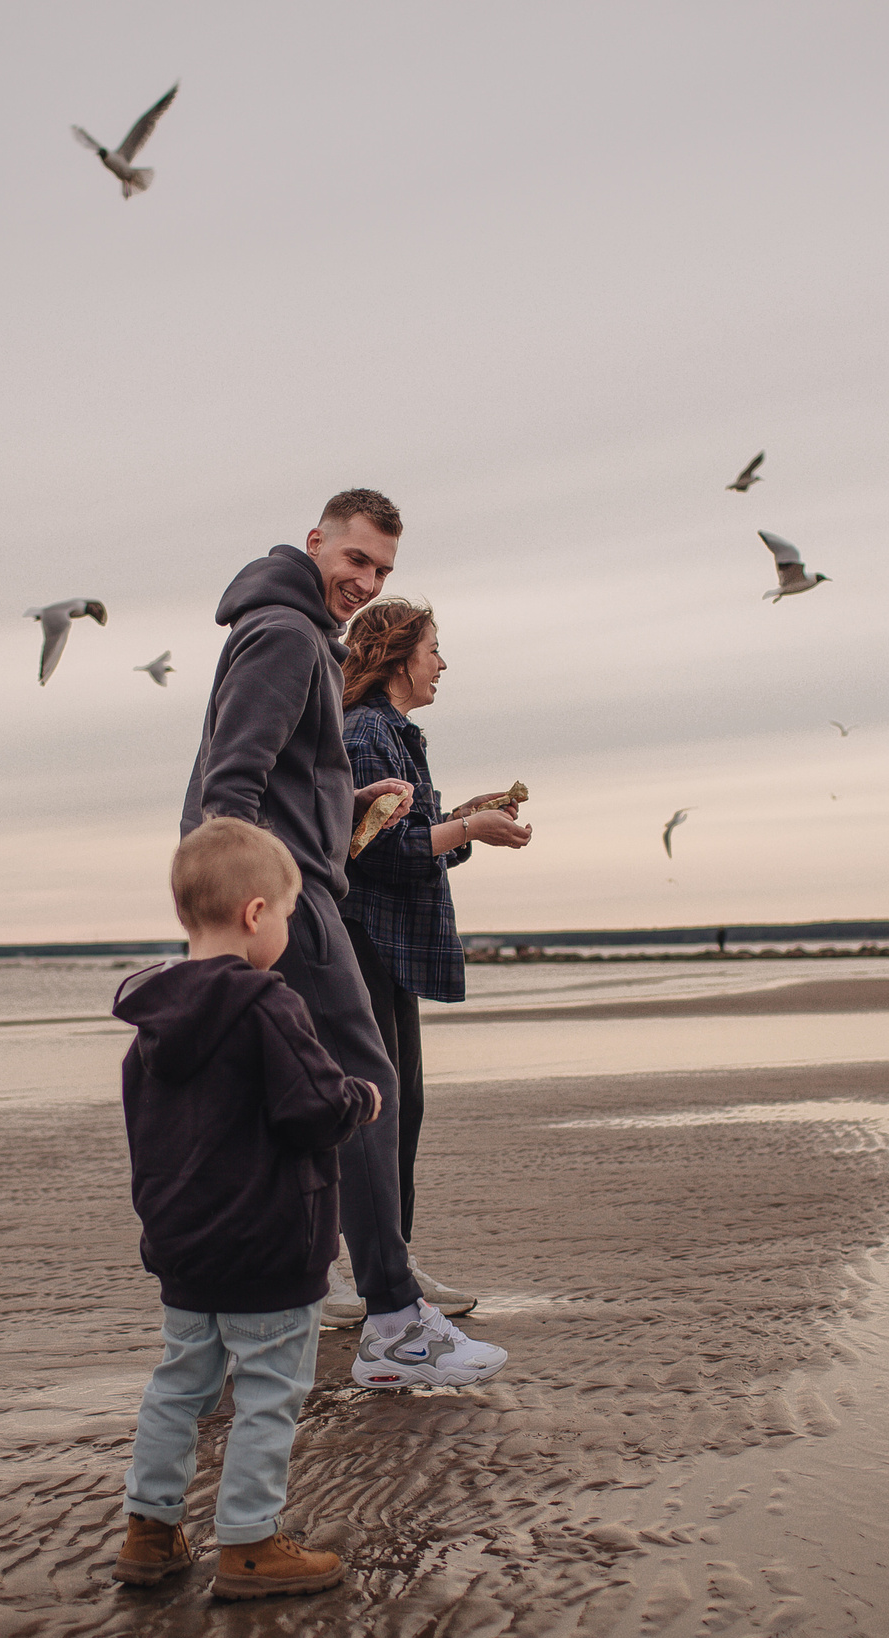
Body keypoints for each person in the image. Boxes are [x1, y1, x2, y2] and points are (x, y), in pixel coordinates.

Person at [180, 489, 510, 1391]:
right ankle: (393, 1322)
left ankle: (224, 1336)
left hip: (288, 886)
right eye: (356, 559)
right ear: (316, 541)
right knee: (367, 1090)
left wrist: (345, 802)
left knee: (281, 1109)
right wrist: (247, 910)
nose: (365, 581)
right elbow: (228, 783)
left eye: (382, 570)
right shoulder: (288, 635)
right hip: (286, 900)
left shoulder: (295, 634)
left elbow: (277, 775)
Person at [109, 819, 373, 1598]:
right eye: (287, 912)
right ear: (256, 913)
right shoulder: (267, 1005)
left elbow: (147, 1135)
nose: (287, 927)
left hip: (185, 1247)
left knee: (179, 1384)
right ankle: (250, 1541)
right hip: (269, 1245)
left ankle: (150, 1528)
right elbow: (312, 1106)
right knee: (269, 1391)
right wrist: (360, 1097)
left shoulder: (151, 1026)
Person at [331, 599, 533, 1328]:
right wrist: (469, 826)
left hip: (390, 943)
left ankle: (391, 1261)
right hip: (365, 940)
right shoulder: (365, 732)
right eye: (433, 649)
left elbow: (413, 837)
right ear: (397, 657)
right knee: (371, 1110)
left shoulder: (394, 733)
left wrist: (467, 818)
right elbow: (376, 852)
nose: (442, 663)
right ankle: (344, 1272)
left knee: (400, 1107)